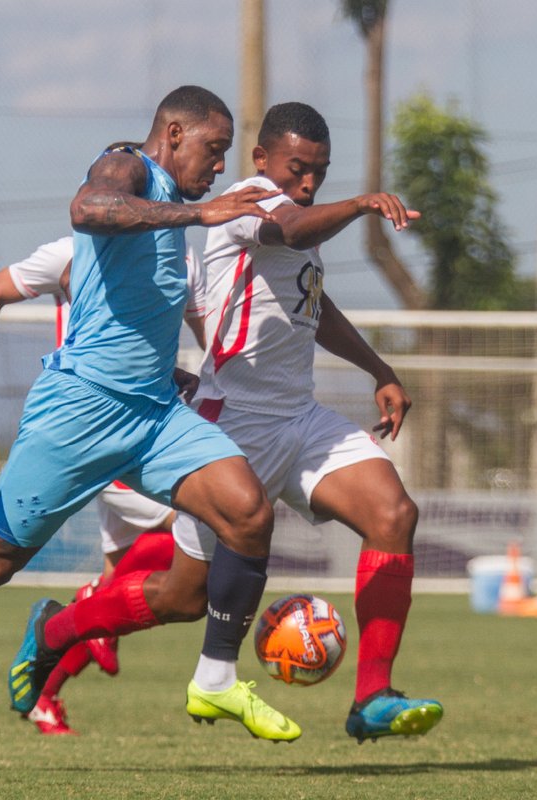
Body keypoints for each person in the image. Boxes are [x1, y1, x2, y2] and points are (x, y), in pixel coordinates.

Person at [0, 85, 298, 742]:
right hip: (79, 412)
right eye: (213, 150)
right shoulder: (126, 166)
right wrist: (199, 213)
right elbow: (88, 208)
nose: (218, 166)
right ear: (174, 134)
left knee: (248, 512)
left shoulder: (176, 221)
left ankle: (214, 680)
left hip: (155, 417)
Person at [34, 101, 443, 742]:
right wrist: (363, 203)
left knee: (394, 515)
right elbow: (294, 231)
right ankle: (56, 629)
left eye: (319, 172)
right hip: (233, 425)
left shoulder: (298, 216)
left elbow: (313, 303)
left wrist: (379, 368)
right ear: (261, 160)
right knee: (183, 598)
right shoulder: (250, 202)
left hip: (300, 417)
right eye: (297, 168)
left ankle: (372, 697)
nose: (307, 183)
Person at [0, 232, 200, 734]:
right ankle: (87, 605)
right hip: (99, 431)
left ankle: (44, 694)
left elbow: (150, 334)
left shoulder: (177, 254)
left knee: (119, 592)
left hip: (141, 424)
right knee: (195, 527)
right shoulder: (73, 250)